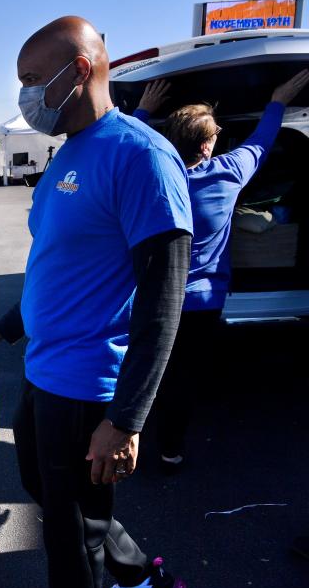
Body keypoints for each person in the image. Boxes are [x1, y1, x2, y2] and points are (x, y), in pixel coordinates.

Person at [0, 17, 192, 588]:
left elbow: (164, 300)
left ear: (80, 68)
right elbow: (52, 272)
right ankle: (146, 577)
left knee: (66, 532)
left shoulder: (140, 157)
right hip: (43, 371)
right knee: (51, 493)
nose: (26, 96)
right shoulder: (71, 153)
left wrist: (128, 417)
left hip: (88, 387)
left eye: (33, 80)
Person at [131, 70, 309, 470]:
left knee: (149, 370)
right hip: (203, 302)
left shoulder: (152, 174)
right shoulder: (228, 173)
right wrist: (278, 98)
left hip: (154, 295)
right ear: (209, 144)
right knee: (185, 377)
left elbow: (122, 149)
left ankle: (131, 437)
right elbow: (262, 141)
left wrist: (142, 110)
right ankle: (170, 451)